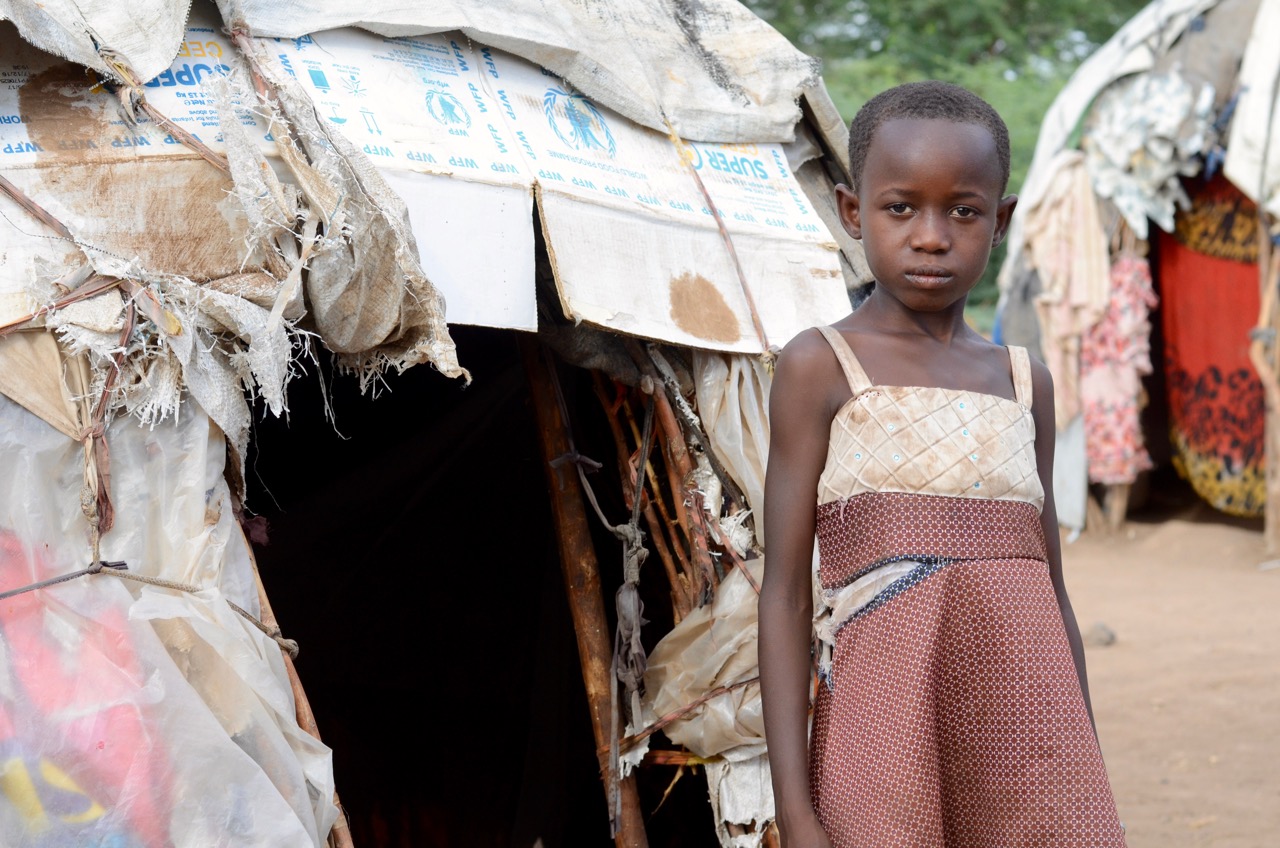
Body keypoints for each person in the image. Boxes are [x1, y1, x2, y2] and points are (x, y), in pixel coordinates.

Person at [758, 81, 1127, 847]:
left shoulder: (1027, 382)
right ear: (853, 212)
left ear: (1000, 222)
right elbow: (786, 597)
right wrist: (795, 811)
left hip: (1029, 730)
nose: (932, 236)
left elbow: (1050, 592)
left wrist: (1081, 755)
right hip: (883, 730)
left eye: (963, 211)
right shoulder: (821, 367)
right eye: (901, 209)